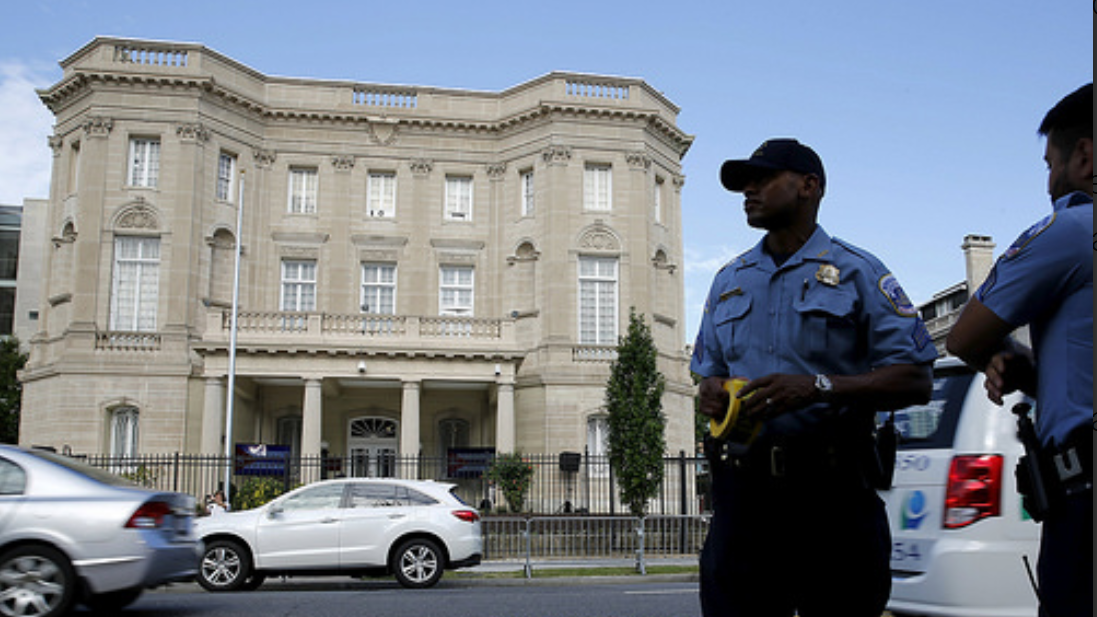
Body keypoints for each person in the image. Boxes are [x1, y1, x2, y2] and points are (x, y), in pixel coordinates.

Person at [691, 138, 936, 617]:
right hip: (745, 501)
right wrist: (711, 393)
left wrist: (820, 386)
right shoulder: (728, 280)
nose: (749, 191)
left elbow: (916, 378)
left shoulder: (859, 272)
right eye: (744, 183)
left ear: (809, 186)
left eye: (762, 179)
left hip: (833, 495)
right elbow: (709, 375)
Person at [946, 83, 1092, 617]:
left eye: (1050, 163)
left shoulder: (1073, 229)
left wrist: (1013, 364)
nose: (1050, 180)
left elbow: (965, 336)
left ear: (1084, 156)